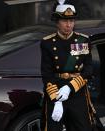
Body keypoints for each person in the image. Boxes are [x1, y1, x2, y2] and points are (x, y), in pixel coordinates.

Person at [40, 0, 95, 131]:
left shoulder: (83, 40)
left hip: (77, 91)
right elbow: (46, 74)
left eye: (71, 21)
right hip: (56, 91)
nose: (68, 25)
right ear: (57, 22)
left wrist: (70, 87)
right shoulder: (47, 43)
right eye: (65, 21)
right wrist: (57, 100)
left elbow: (88, 69)